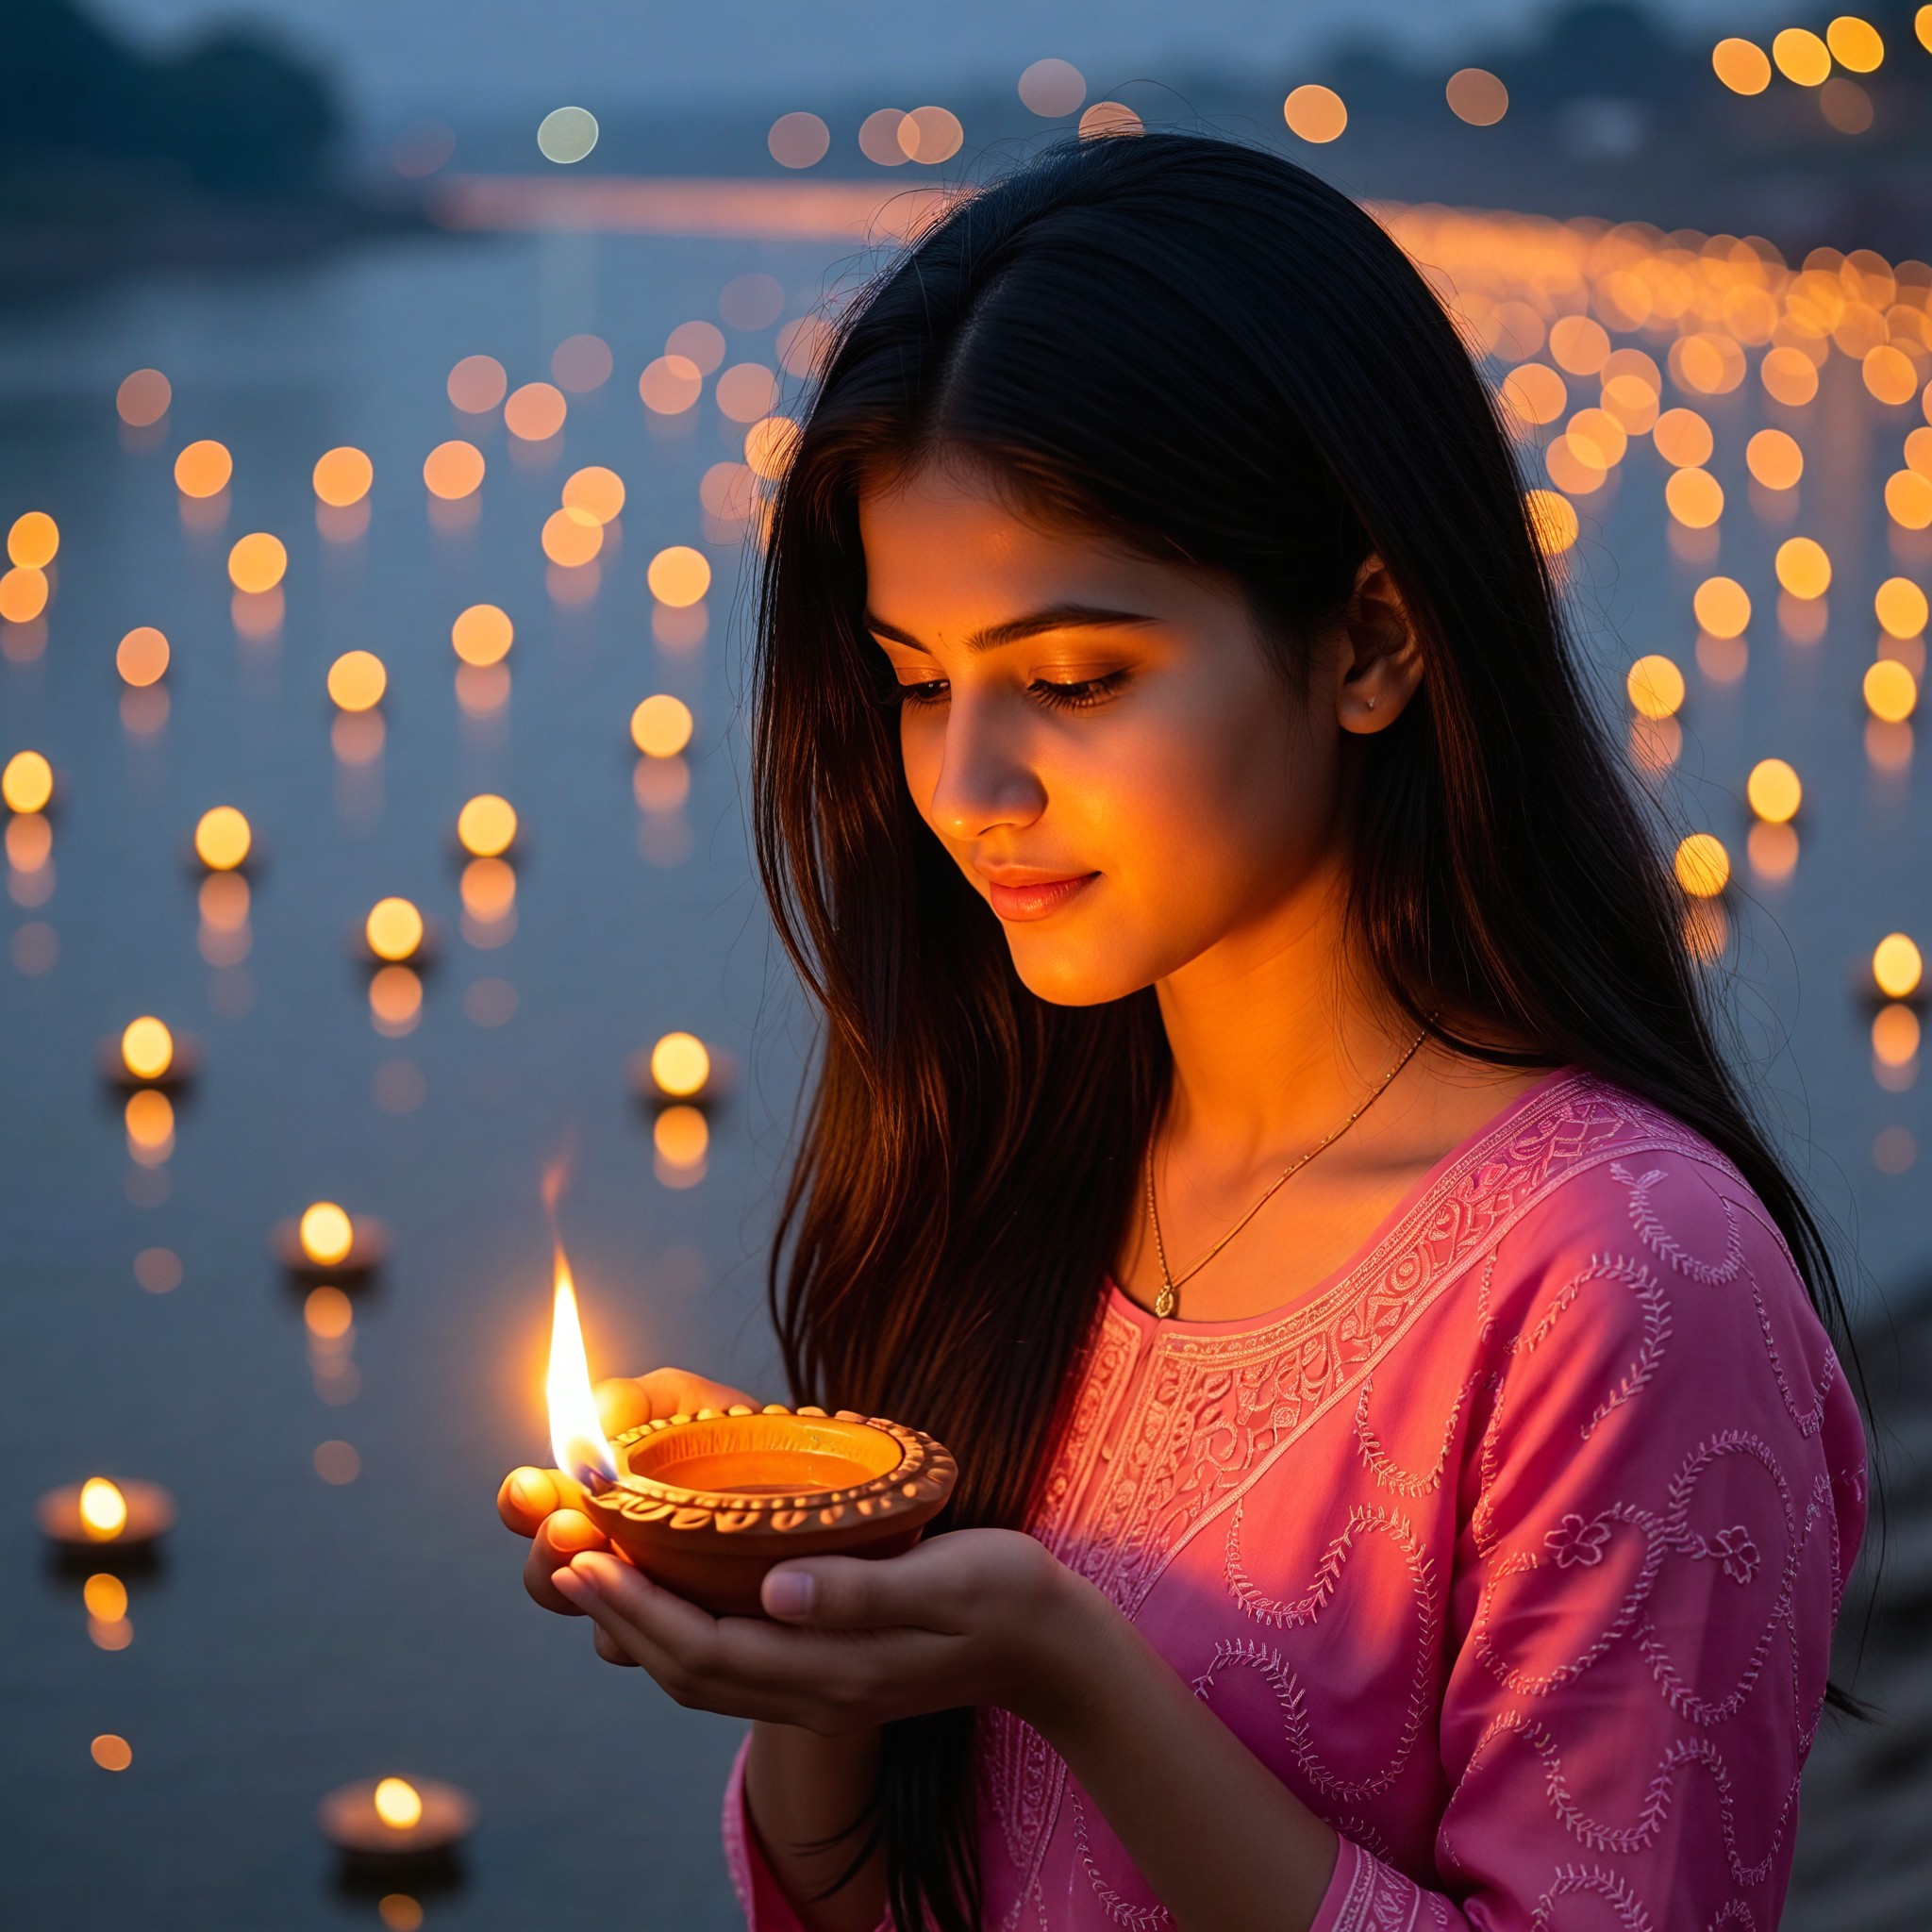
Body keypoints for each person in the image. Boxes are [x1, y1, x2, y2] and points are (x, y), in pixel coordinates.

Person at [497, 129, 1870, 1932]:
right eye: (919, 682)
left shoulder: (1619, 1280)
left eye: (1074, 681)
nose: (970, 787)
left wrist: (1073, 1669)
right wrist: (814, 1649)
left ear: (1373, 642)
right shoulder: (1020, 1165)